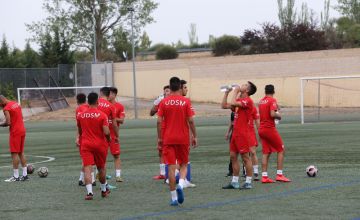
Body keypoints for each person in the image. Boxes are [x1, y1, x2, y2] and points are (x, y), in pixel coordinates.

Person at [157, 76, 198, 206]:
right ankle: (181, 184)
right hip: (182, 138)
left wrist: (159, 138)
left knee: (171, 167)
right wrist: (195, 136)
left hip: (168, 138)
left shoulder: (164, 102)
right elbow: (190, 120)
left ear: (169, 87)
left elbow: (158, 121)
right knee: (184, 164)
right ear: (180, 87)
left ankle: (174, 198)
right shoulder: (186, 101)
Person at [221, 82, 257, 189]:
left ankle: (248, 182)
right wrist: (227, 93)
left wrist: (235, 91)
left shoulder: (248, 101)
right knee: (233, 157)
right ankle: (235, 182)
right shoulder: (239, 101)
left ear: (247, 90)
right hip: (235, 134)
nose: (242, 85)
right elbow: (223, 106)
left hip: (243, 134)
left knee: (245, 158)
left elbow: (233, 102)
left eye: (245, 85)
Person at [77, 92, 111, 200]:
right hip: (100, 145)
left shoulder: (81, 115)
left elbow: (80, 131)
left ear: (88, 102)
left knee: (87, 168)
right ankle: (103, 190)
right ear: (97, 101)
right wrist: (109, 139)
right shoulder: (102, 115)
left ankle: (90, 193)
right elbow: (106, 132)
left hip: (86, 144)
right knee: (101, 168)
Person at [258, 84, 291, 183]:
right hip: (269, 129)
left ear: (265, 91)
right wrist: (279, 116)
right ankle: (279, 175)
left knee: (266, 152)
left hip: (261, 129)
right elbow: (272, 114)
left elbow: (267, 111)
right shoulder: (272, 100)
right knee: (281, 149)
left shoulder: (261, 101)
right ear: (274, 91)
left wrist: (276, 108)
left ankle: (264, 176)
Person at [0, 95, 28, 182]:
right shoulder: (16, 103)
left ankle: (16, 176)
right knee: (21, 153)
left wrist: (0, 124)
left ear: (1, 101)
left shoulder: (6, 108)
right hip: (22, 130)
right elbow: (20, 117)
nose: (0, 106)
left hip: (15, 132)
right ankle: (25, 175)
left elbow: (8, 122)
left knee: (14, 154)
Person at [75, 93, 95, 186]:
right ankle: (90, 179)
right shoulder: (90, 107)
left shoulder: (79, 109)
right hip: (93, 136)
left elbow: (79, 125)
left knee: (86, 159)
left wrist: (77, 137)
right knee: (91, 159)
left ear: (77, 100)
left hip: (84, 137)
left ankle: (83, 179)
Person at [150, 85, 170, 180]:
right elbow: (151, 112)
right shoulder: (161, 101)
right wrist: (156, 103)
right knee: (161, 150)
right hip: (163, 128)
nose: (168, 92)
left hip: (172, 128)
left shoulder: (177, 100)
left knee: (171, 150)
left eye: (169, 90)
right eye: (166, 91)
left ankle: (172, 172)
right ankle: (163, 173)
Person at [109, 87, 125, 182]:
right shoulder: (103, 105)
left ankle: (118, 175)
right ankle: (100, 174)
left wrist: (113, 118)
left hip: (114, 134)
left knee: (116, 155)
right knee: (100, 156)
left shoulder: (119, 106)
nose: (108, 95)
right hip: (103, 134)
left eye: (110, 94)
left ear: (115, 95)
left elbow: (122, 120)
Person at [249, 105, 260, 181]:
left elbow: (257, 122)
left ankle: (256, 171)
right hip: (240, 132)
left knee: (253, 152)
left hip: (250, 132)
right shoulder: (237, 106)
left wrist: (260, 134)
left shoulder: (252, 107)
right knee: (244, 153)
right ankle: (246, 171)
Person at [224, 111, 235, 177]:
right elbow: (232, 122)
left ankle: (245, 172)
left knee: (245, 155)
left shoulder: (244, 110)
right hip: (233, 135)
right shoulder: (233, 112)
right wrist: (228, 132)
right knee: (232, 153)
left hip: (242, 135)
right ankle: (231, 171)